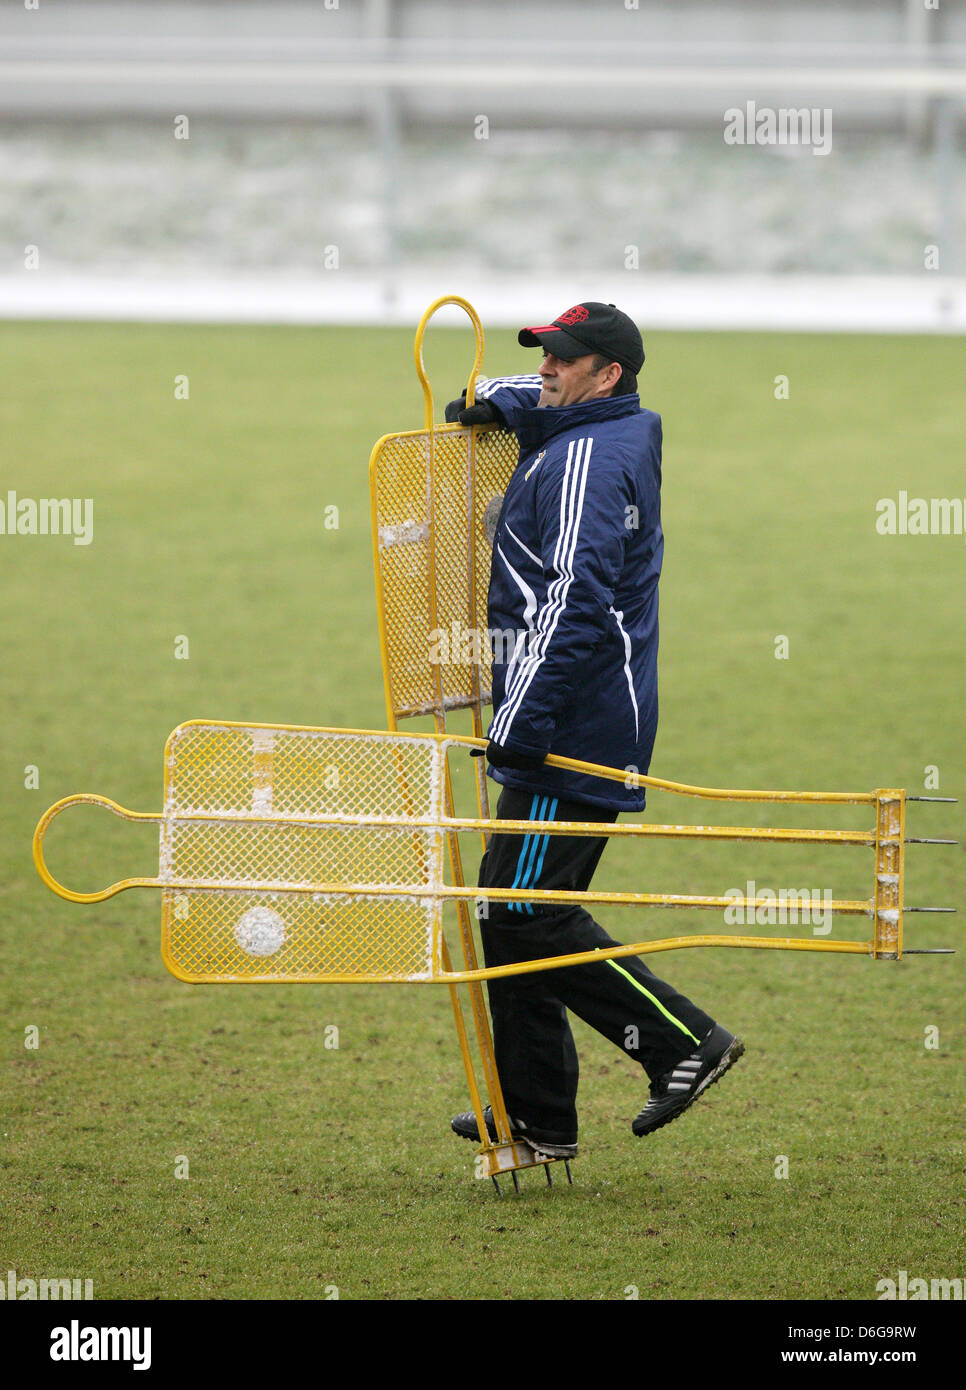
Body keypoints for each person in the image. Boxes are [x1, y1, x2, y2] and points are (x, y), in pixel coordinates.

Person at [444, 302, 743, 1160]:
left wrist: (521, 725)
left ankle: (685, 1043)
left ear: (606, 374)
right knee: (512, 910)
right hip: (574, 715)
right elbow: (532, 396)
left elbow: (577, 605)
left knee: (525, 912)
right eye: (544, 353)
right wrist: (499, 400)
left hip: (570, 725)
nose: (547, 368)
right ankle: (537, 1117)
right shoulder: (602, 427)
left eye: (563, 359)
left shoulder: (585, 461)